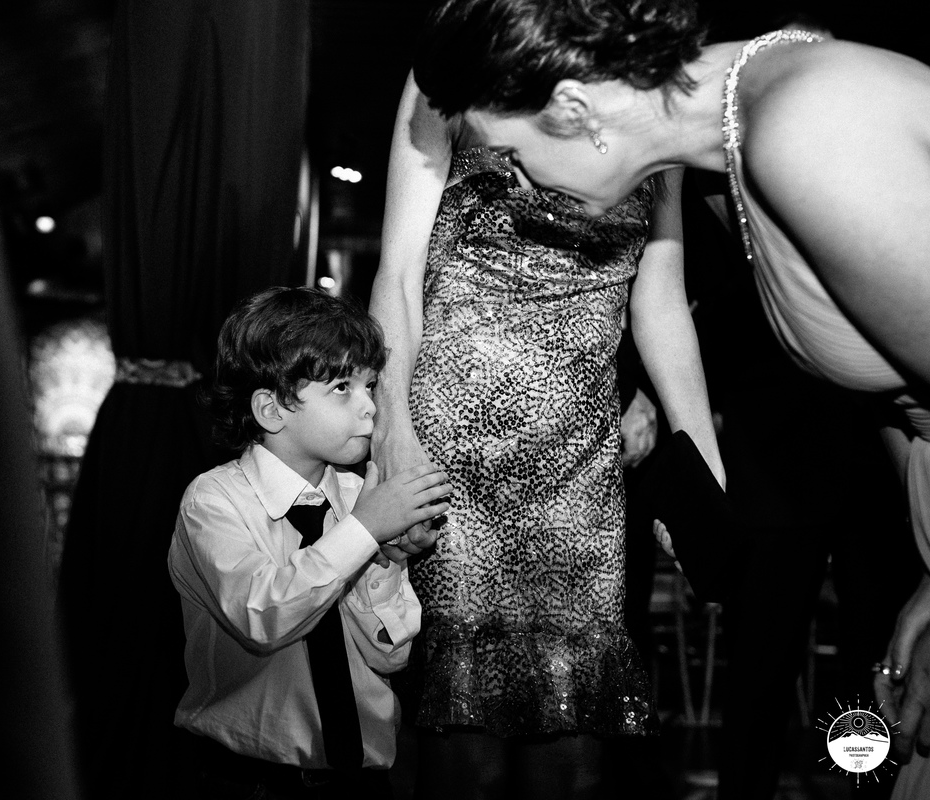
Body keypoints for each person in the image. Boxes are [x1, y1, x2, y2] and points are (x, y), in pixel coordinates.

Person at [410, 0, 930, 795]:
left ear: (573, 109)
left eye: (512, 156)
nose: (514, 182)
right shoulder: (745, 143)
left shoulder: (802, 130)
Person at [369, 62, 722, 796]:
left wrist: (703, 470)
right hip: (454, 456)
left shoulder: (661, 87)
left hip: (580, 465)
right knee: (465, 756)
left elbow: (660, 297)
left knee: (574, 761)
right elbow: (398, 274)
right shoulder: (455, 65)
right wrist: (392, 432)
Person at [168, 286, 454, 799]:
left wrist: (384, 559)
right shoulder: (213, 501)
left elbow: (389, 658)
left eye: (370, 385)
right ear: (272, 409)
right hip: (251, 782)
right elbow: (262, 616)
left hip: (362, 783)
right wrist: (363, 531)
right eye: (343, 387)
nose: (370, 408)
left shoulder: (358, 497)